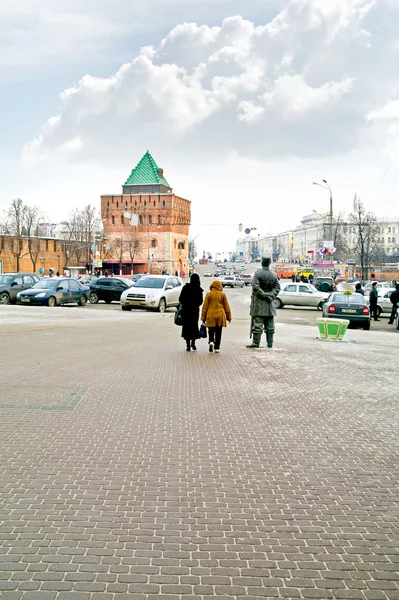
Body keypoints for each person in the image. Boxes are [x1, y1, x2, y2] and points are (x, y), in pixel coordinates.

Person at [247, 256, 281, 349]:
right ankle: (270, 344)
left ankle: (256, 343)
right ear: (269, 263)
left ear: (262, 262)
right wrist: (271, 295)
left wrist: (264, 295)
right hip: (270, 303)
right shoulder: (274, 275)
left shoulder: (258, 274)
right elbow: (277, 288)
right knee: (270, 326)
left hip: (259, 303)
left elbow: (255, 287)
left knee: (257, 325)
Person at [201, 280, 232, 353]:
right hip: (220, 315)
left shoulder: (209, 294)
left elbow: (204, 307)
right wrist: (229, 317)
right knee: (219, 331)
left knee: (210, 330)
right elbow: (226, 307)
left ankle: (211, 341)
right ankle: (217, 347)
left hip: (210, 315)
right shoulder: (222, 295)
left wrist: (203, 318)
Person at [179, 273, 204, 351]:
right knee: (194, 326)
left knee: (186, 327)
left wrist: (185, 304)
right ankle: (193, 343)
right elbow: (200, 301)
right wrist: (195, 305)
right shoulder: (198, 289)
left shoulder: (185, 288)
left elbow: (180, 299)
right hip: (194, 311)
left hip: (186, 311)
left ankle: (187, 346)